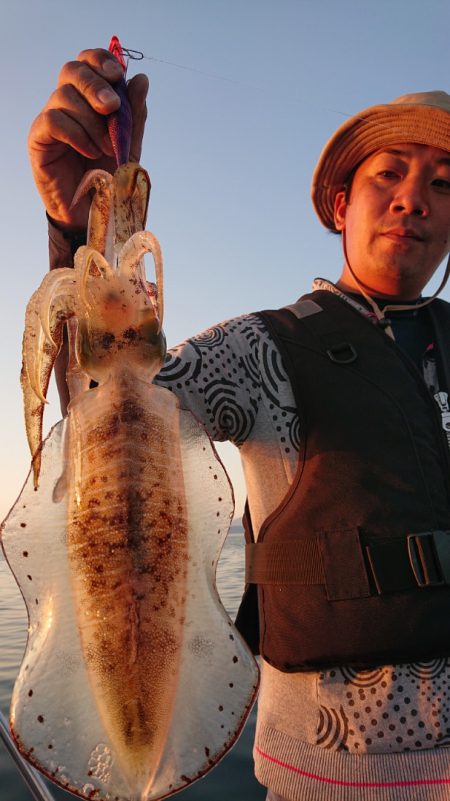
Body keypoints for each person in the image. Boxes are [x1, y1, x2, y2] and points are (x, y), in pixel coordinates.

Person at [28, 47, 450, 801]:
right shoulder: (262, 348)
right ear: (339, 202)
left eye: (445, 184)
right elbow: (110, 409)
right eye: (388, 173)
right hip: (331, 776)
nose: (414, 198)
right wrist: (85, 232)